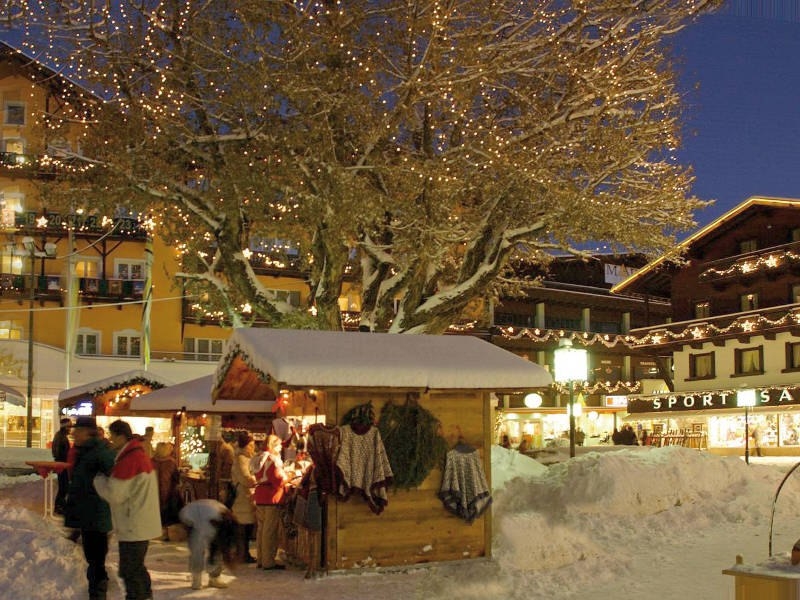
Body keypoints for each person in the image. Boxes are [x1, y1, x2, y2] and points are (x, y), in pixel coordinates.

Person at [94, 419, 162, 600]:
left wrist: (98, 481)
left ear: (121, 436)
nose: (110, 440)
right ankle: (145, 596)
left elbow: (114, 494)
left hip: (133, 524)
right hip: (140, 522)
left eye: (112, 436)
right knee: (136, 567)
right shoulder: (137, 455)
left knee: (129, 570)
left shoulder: (129, 461)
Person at [63, 416, 116, 600]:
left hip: (97, 515)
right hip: (89, 515)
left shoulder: (99, 453)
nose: (73, 434)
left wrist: (99, 492)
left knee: (96, 561)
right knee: (93, 560)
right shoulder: (85, 451)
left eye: (77, 431)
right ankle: (98, 592)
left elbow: (114, 480)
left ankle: (98, 595)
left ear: (87, 432)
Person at [179, 498, 239, 589]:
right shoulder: (206, 524)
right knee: (198, 549)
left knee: (216, 549)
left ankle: (214, 577)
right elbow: (197, 547)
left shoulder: (228, 522)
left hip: (205, 513)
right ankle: (196, 578)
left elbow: (222, 545)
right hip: (190, 516)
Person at [254, 434, 289, 570]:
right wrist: (287, 478)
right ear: (273, 445)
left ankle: (261, 559)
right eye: (279, 445)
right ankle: (268, 562)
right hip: (271, 497)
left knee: (262, 530)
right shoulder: (272, 460)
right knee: (270, 531)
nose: (281, 448)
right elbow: (277, 479)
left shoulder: (259, 458)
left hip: (261, 496)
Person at [231, 431, 257, 563]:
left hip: (246, 496)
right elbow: (245, 478)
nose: (253, 447)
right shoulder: (241, 458)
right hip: (243, 497)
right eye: (251, 445)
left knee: (246, 526)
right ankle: (242, 553)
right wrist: (256, 479)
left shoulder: (246, 457)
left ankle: (243, 553)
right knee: (243, 526)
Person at [152, 441, 181, 539]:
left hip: (153, 491)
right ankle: (165, 533)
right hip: (167, 491)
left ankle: (156, 532)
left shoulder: (151, 461)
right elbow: (176, 478)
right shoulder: (171, 462)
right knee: (166, 512)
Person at [51, 417, 72, 515]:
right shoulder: (61, 437)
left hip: (61, 464)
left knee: (63, 486)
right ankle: (59, 506)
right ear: (65, 427)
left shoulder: (60, 436)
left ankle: (60, 506)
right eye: (69, 427)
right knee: (64, 486)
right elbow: (59, 452)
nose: (70, 429)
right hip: (62, 464)